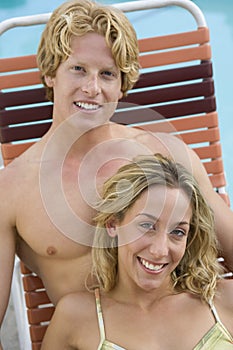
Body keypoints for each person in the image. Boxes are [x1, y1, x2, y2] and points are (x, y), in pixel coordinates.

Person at [0, 0, 232, 347]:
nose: (92, 88)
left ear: (123, 85)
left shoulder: (169, 154)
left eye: (107, 74)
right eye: (78, 69)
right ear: (50, 73)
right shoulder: (13, 189)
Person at [41, 154, 233, 349]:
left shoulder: (224, 300)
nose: (160, 250)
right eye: (147, 225)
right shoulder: (76, 317)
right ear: (113, 224)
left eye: (177, 232)